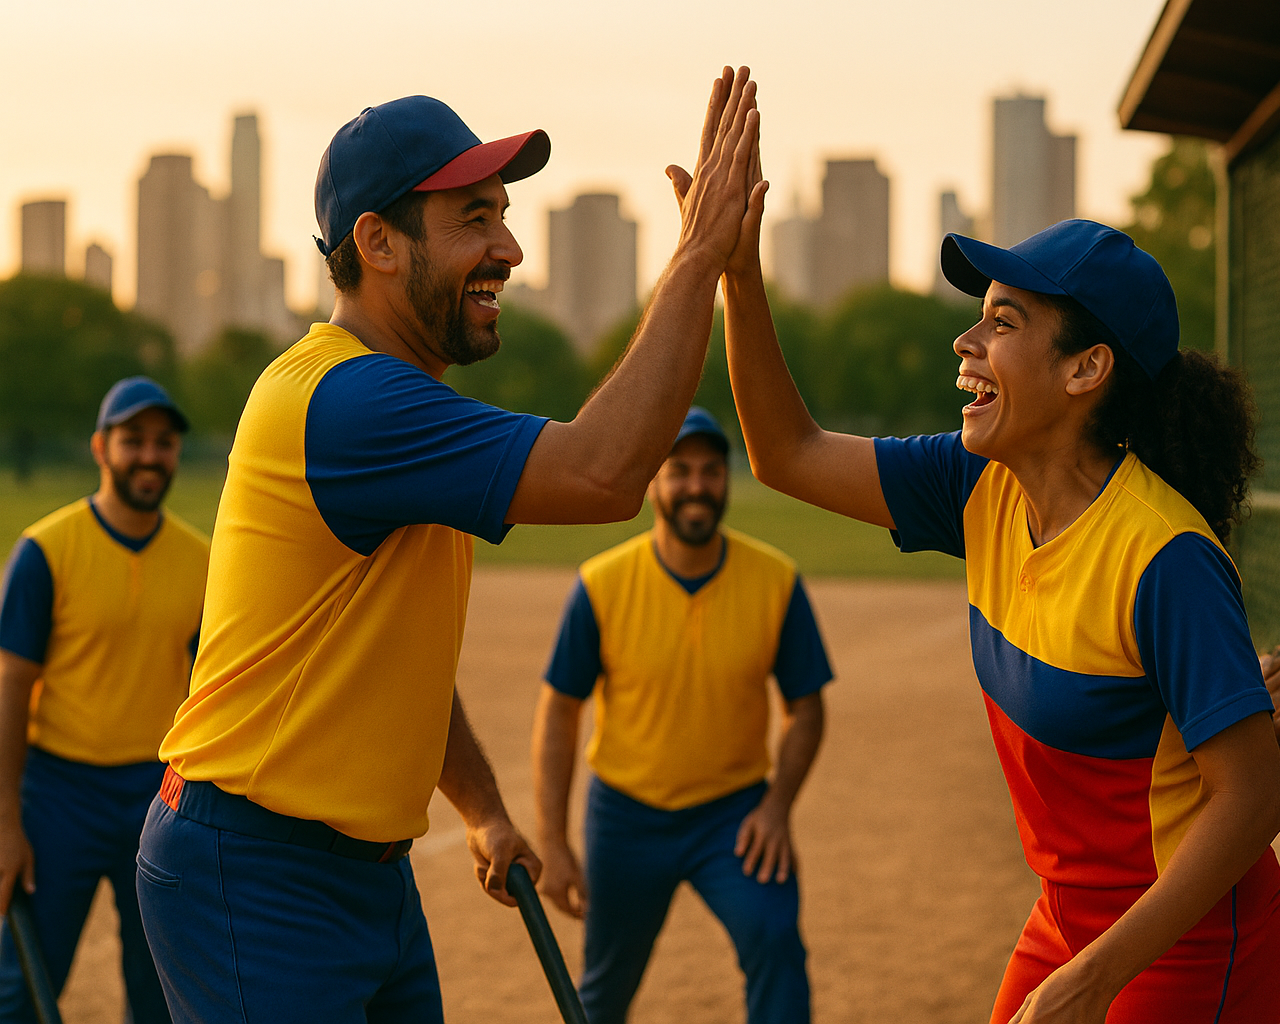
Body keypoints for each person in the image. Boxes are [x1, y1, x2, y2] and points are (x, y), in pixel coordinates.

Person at [136, 70, 764, 1023]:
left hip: (361, 873)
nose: (507, 248)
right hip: (252, 868)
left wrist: (479, 806)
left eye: (502, 216)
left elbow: (400, 659)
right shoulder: (348, 402)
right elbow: (605, 473)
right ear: (377, 243)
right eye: (473, 219)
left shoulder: (401, 407)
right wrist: (699, 255)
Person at [722, 202, 1280, 1022]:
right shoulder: (977, 482)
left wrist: (1096, 979)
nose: (967, 341)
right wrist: (740, 276)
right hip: (1066, 922)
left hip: (1187, 946)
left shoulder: (1167, 559)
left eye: (1002, 321)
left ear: (1085, 369)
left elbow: (1252, 800)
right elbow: (787, 454)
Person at [533, 406, 832, 1024]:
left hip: (735, 815)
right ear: (653, 483)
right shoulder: (601, 584)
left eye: (710, 471)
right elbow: (560, 711)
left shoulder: (775, 580)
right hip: (626, 816)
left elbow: (806, 709)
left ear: (726, 480)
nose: (697, 485)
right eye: (679, 471)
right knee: (605, 988)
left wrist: (776, 809)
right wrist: (554, 841)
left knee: (776, 940)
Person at [0, 377, 208, 1023]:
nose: (149, 456)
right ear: (101, 447)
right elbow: (11, 684)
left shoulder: (204, 559)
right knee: (24, 985)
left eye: (164, 443)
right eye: (133, 440)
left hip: (160, 794)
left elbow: (212, 690)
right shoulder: (45, 550)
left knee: (161, 989)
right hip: (58, 792)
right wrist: (6, 820)